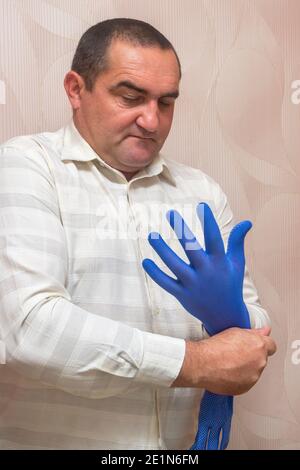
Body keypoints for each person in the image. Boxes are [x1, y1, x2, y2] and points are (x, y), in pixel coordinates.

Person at [0, 18, 276, 450]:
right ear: (76, 89)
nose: (152, 120)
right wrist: (197, 361)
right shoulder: (26, 167)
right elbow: (30, 330)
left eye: (167, 103)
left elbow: (253, 331)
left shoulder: (200, 192)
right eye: (131, 97)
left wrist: (232, 318)